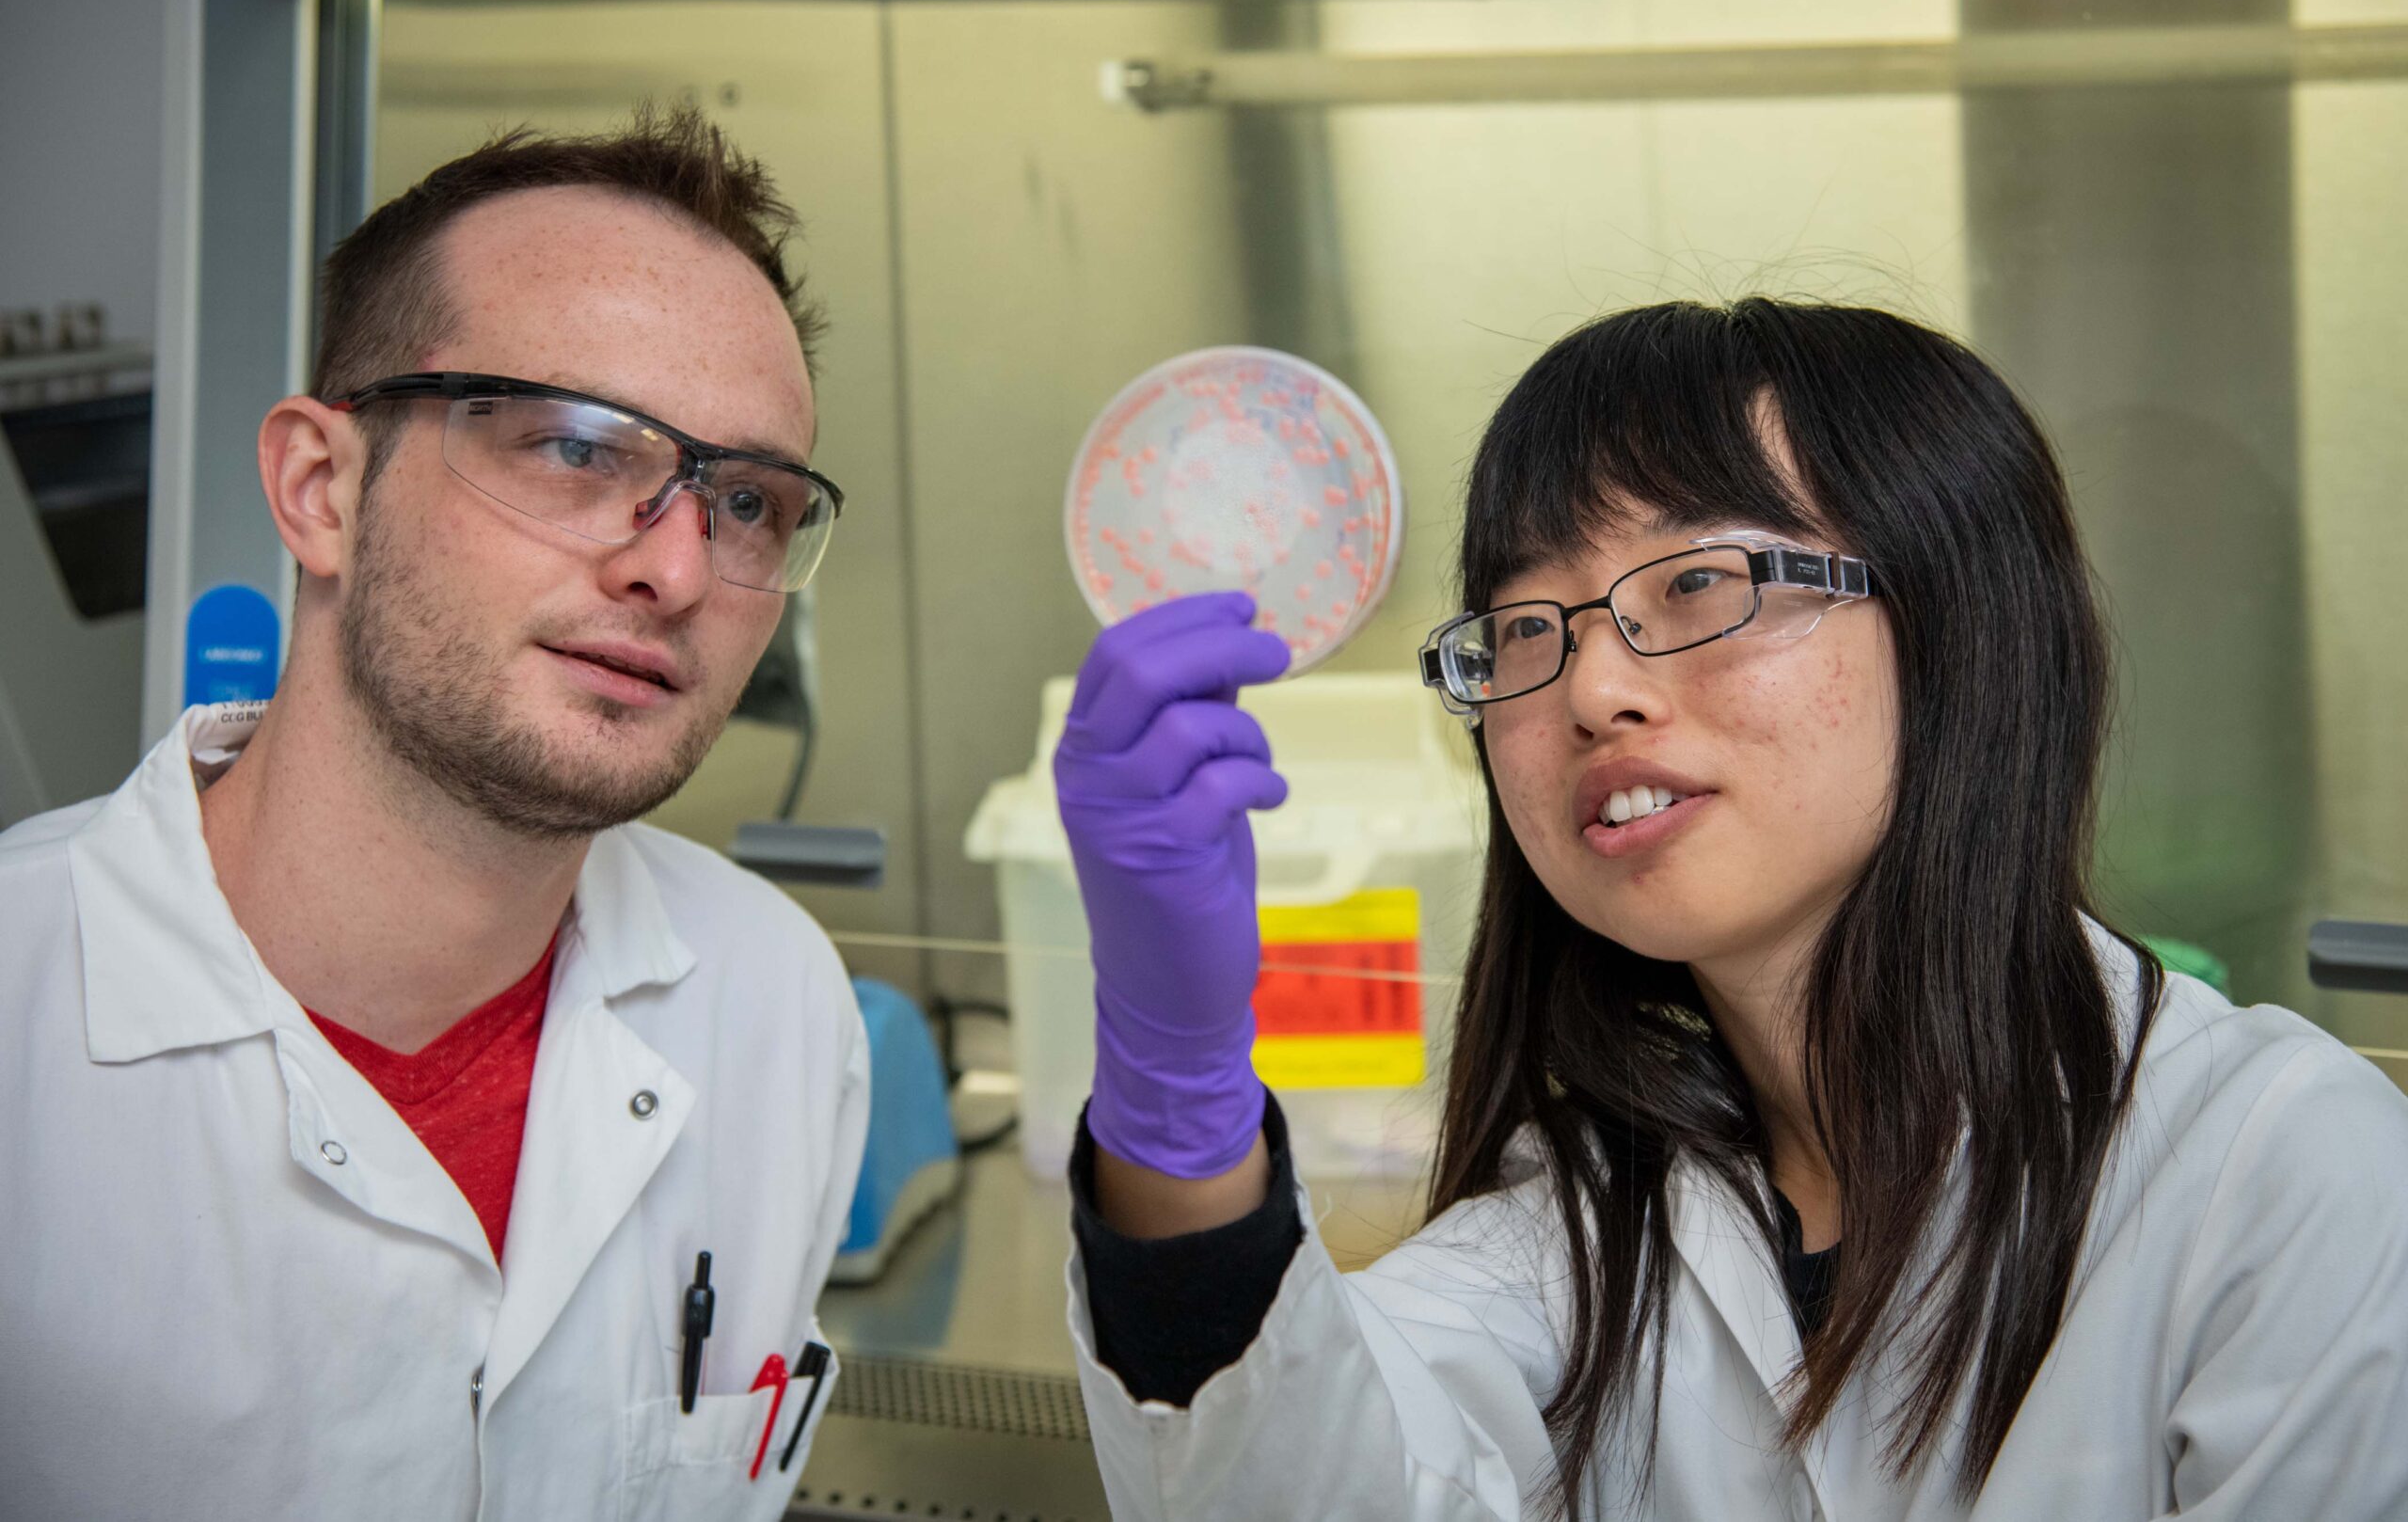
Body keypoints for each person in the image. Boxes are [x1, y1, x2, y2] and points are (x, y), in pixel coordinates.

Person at [1051, 298, 2408, 1519]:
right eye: (1525, 627)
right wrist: (1178, 1088)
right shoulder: (1579, 1219)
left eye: (1696, 581)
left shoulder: (2285, 1176)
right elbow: (1295, 1488)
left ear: (1963, 625)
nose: (1589, 690)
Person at [0, 108, 867, 1520]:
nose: (679, 567)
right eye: (577, 448)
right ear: (320, 487)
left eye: (749, 501)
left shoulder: (776, 1003)